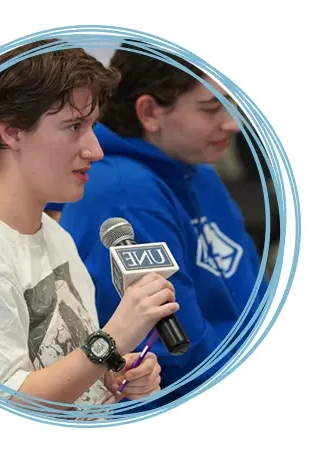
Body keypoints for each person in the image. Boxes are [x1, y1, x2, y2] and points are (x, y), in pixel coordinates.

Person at [0, 39, 180, 419]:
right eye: (73, 127)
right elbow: (4, 404)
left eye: (92, 126)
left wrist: (115, 372)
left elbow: (60, 368)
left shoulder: (52, 234)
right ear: (12, 132)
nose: (96, 150)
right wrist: (111, 340)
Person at [54, 41, 269, 408]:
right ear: (150, 112)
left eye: (232, 104)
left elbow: (255, 288)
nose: (232, 123)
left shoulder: (197, 171)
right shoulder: (124, 194)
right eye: (210, 108)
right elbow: (176, 350)